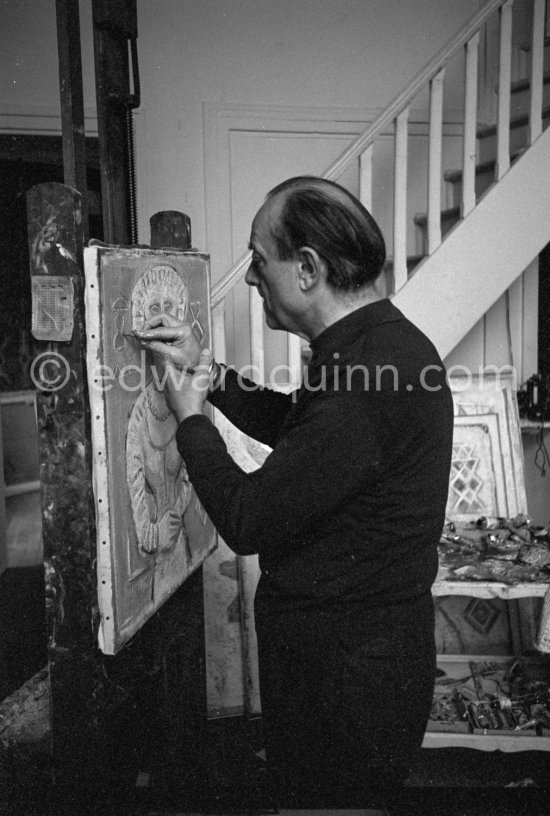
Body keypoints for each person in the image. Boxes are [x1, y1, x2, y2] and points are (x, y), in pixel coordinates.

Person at [135, 176, 454, 809]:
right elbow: (306, 435)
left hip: (345, 678)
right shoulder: (374, 347)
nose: (251, 278)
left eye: (259, 260)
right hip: (354, 662)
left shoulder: (366, 374)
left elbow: (249, 518)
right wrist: (214, 377)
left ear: (306, 269)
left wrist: (192, 416)